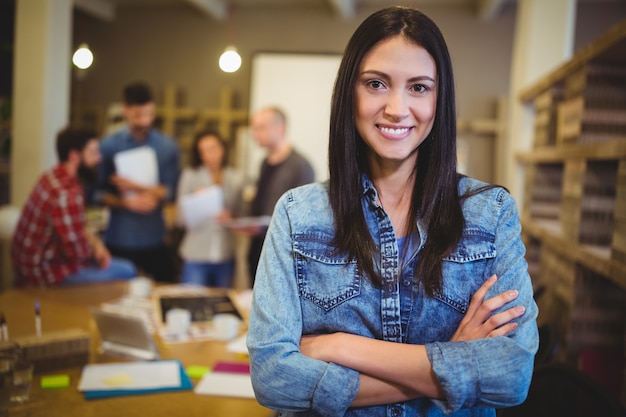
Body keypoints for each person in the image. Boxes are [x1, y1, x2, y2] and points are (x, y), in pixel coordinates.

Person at [247, 7, 539, 417]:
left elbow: (511, 376)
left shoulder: (489, 213)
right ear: (350, 90)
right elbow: (273, 378)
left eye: (419, 87)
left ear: (440, 98)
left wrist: (341, 347)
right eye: (376, 84)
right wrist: (452, 359)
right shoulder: (298, 215)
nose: (397, 108)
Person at [11, 127, 137, 287]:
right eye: (93, 153)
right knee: (128, 270)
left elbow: (77, 230)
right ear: (74, 156)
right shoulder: (68, 194)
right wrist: (95, 248)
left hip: (28, 266)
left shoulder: (51, 176)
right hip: (45, 274)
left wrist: (95, 243)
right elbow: (77, 252)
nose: (99, 159)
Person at [97, 82, 180, 283]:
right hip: (120, 235)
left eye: (149, 114)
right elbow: (95, 193)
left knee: (167, 284)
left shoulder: (167, 146)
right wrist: (126, 203)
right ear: (125, 110)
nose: (144, 121)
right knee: (117, 294)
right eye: (137, 115)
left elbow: (172, 191)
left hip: (154, 235)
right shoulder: (108, 145)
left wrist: (137, 187)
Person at [245, 106, 314, 284]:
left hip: (282, 250)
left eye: (260, 127)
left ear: (280, 128)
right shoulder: (263, 163)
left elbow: (304, 214)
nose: (255, 133)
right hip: (258, 244)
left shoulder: (300, 165)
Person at [176, 130, 245, 287]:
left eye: (213, 148)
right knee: (193, 301)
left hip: (225, 252)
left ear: (223, 149)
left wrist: (231, 217)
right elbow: (180, 219)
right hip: (197, 252)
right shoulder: (190, 176)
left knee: (222, 303)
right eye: (204, 151)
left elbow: (241, 215)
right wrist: (198, 203)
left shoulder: (235, 178)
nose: (210, 155)